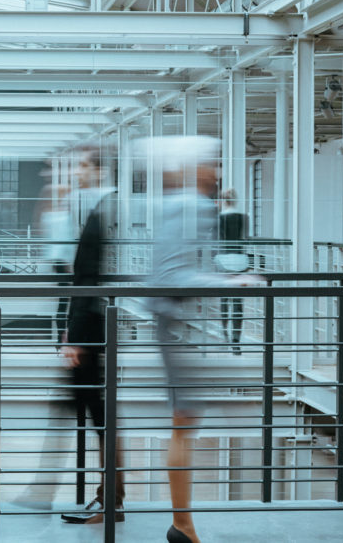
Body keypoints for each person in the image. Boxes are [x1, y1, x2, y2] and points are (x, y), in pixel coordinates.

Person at [144, 136, 261, 543]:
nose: (217, 171)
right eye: (212, 164)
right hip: (177, 324)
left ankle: (183, 525)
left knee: (186, 424)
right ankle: (182, 526)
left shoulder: (183, 205)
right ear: (194, 169)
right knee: (184, 424)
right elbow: (172, 276)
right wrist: (231, 280)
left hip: (176, 323)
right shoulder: (190, 207)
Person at [59, 145, 126, 525]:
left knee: (100, 415)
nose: (77, 172)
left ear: (99, 170)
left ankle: (110, 501)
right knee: (99, 413)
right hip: (90, 326)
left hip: (92, 328)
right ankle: (108, 498)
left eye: (83, 166)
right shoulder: (100, 211)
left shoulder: (102, 213)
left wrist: (75, 339)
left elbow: (89, 281)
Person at [38, 183, 75, 342]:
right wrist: (69, 264)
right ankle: (63, 338)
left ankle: (62, 337)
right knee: (64, 302)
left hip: (56, 260)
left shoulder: (48, 214)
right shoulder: (61, 216)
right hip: (62, 261)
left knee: (63, 301)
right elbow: (64, 241)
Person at [215, 188, 249, 353]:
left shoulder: (219, 219)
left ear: (223, 201)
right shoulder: (244, 218)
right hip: (240, 262)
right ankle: (236, 341)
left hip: (223, 263)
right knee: (237, 302)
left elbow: (217, 242)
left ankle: (225, 336)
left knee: (224, 300)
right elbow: (245, 239)